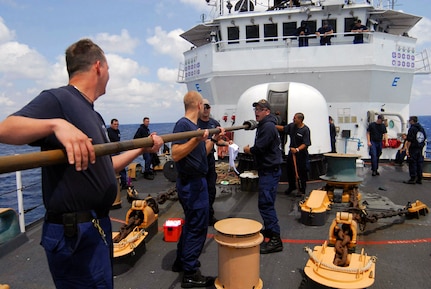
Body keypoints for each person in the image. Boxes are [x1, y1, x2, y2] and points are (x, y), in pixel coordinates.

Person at [0, 39, 164, 289]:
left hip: (96, 226)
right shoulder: (59, 99)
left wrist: (142, 147)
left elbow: (106, 168)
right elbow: (6, 129)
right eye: (108, 68)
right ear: (98, 66)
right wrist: (56, 124)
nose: (109, 74)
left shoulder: (93, 114)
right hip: (74, 235)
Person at [171, 91, 223, 288]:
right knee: (198, 226)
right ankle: (191, 273)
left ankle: (181, 261)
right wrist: (195, 139)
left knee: (192, 222)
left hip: (197, 181)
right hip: (192, 184)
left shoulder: (194, 127)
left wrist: (213, 139)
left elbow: (202, 153)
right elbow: (175, 154)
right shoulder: (184, 125)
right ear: (199, 105)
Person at [244, 99, 283, 254]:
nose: (256, 112)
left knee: (265, 204)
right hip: (269, 170)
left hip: (269, 171)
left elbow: (259, 148)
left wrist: (248, 150)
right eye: (255, 109)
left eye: (260, 109)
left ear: (267, 111)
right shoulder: (267, 125)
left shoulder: (267, 127)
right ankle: (270, 229)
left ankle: (275, 239)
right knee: (267, 202)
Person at [198, 99, 230, 226]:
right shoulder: (195, 124)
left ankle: (209, 215)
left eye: (208, 106)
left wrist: (227, 143)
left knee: (211, 188)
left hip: (209, 160)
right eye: (204, 106)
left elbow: (217, 141)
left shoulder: (214, 123)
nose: (206, 109)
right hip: (198, 160)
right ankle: (199, 216)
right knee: (199, 188)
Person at [276, 112, 311, 196]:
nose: (293, 119)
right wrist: (271, 126)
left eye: (295, 118)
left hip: (301, 154)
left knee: (302, 172)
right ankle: (292, 187)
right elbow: (283, 128)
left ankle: (302, 190)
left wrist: (297, 149)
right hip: (291, 153)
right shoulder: (292, 126)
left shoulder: (305, 130)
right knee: (290, 171)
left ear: (300, 119)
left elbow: (306, 143)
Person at [403, 116, 427, 184]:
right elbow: (423, 138)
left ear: (412, 121)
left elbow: (409, 140)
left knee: (412, 162)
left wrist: (407, 149)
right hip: (420, 148)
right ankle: (419, 178)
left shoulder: (412, 129)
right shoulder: (421, 128)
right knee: (419, 163)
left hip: (413, 148)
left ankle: (413, 178)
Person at [107, 118, 128, 189]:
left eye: (117, 124)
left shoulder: (117, 131)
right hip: (111, 152)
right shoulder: (108, 131)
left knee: (122, 167)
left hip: (117, 151)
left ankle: (124, 183)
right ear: (111, 124)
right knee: (112, 169)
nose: (116, 125)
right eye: (115, 124)